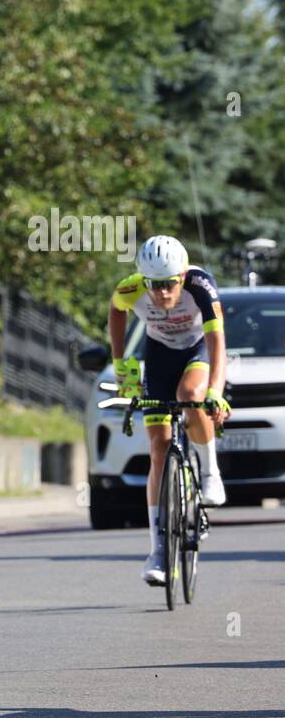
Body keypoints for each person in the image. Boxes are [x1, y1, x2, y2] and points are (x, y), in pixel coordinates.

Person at [110, 234, 230, 585]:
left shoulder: (201, 286)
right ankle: (159, 551)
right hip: (159, 357)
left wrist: (216, 392)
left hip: (196, 353)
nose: (161, 293)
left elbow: (217, 341)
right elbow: (116, 310)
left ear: (181, 277)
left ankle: (210, 473)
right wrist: (120, 364)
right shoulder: (130, 288)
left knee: (191, 393)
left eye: (168, 285)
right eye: (153, 285)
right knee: (158, 449)